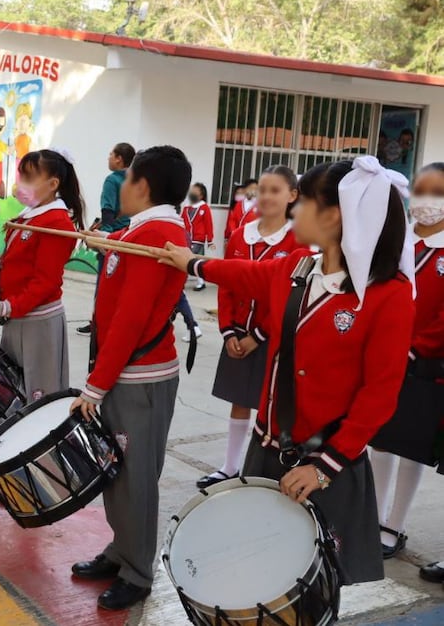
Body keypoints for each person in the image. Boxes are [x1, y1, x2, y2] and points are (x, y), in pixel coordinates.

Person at [159, 155, 416, 587]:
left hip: (324, 465)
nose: (294, 210)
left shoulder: (388, 293)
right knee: (260, 572)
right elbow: (245, 273)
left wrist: (323, 467)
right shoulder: (299, 268)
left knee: (314, 584)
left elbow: (381, 393)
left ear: (334, 215)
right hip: (268, 448)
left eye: (305, 201)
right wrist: (190, 263)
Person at [68, 145, 191, 611]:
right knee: (117, 471)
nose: (119, 186)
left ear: (142, 186)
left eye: (127, 178)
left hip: (141, 376)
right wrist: (105, 244)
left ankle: (138, 571)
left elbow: (131, 320)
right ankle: (121, 550)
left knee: (136, 477)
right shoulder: (141, 230)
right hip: (124, 370)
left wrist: (95, 386)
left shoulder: (157, 232)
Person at [198, 165, 300, 489]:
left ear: (293, 196)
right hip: (237, 336)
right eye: (262, 191)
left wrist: (258, 336)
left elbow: (289, 296)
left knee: (269, 407)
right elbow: (226, 283)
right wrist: (229, 331)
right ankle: (229, 466)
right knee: (239, 400)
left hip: (272, 338)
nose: (266, 197)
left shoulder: (298, 240)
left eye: (275, 190)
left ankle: (261, 471)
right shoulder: (242, 234)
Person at [369, 162, 444, 561]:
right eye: (421, 190)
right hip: (384, 356)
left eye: (437, 192)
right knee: (379, 442)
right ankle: (374, 515)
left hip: (423, 363)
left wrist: (414, 347)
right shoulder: (397, 241)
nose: (426, 200)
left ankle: (393, 524)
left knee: (411, 445)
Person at [0, 149, 84, 403]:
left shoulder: (57, 222)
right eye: (21, 176)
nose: (20, 183)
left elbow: (45, 282)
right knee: (14, 394)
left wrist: (5, 306)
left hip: (38, 323)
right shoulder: (27, 217)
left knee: (39, 397)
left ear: (53, 184)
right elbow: (10, 269)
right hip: (15, 316)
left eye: (29, 177)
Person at [78, 142, 134, 336]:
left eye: (111, 154)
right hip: (127, 234)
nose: (108, 157)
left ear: (119, 158)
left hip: (112, 235)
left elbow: (108, 210)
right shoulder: (134, 180)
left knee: (103, 283)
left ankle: (98, 322)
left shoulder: (112, 180)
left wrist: (104, 239)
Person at [182, 182, 215, 290]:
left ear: (201, 195)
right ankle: (199, 281)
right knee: (193, 259)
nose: (192, 192)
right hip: (187, 238)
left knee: (190, 259)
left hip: (198, 239)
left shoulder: (204, 208)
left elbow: (208, 224)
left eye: (195, 191)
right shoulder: (187, 208)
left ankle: (187, 281)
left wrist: (210, 240)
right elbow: (182, 222)